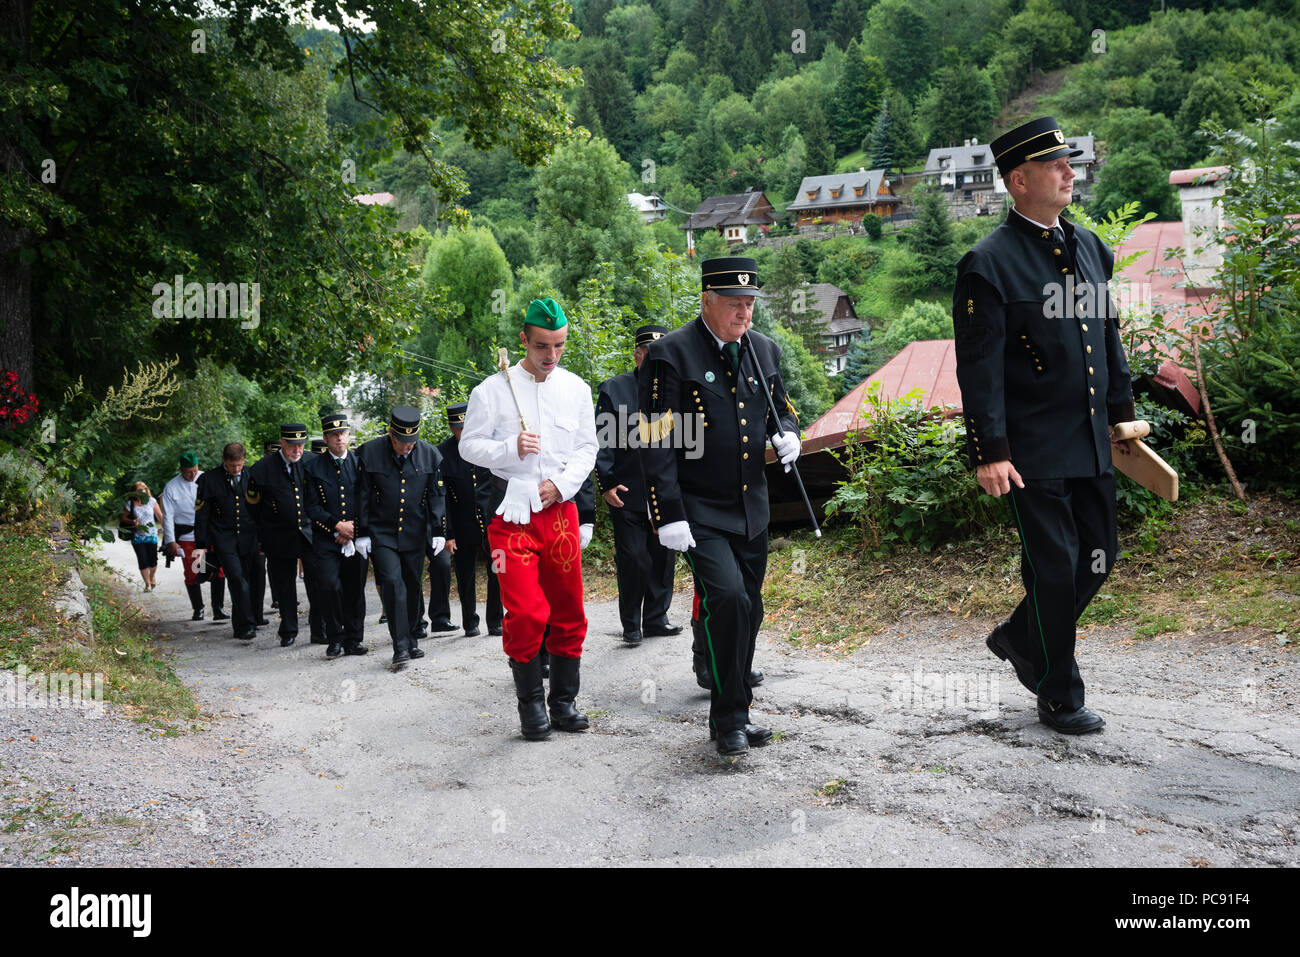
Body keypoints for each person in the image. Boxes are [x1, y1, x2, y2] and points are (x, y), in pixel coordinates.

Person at [953, 116, 1136, 735]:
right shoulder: (988, 263)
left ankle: (1019, 638)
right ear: (1018, 180)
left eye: (1070, 164)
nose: (1069, 173)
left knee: (1099, 556)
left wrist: (1122, 416)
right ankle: (1059, 692)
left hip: (1088, 438)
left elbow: (1107, 340)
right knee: (1056, 567)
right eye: (1056, 166)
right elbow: (979, 369)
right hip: (1030, 449)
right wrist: (989, 450)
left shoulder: (1089, 247)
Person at [637, 257, 800, 756]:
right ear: (707, 300)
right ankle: (728, 717)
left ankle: (737, 710)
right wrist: (667, 513)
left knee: (748, 608)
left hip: (751, 506)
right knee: (726, 599)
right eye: (734, 304)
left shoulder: (763, 351)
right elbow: (654, 438)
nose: (744, 314)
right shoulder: (672, 355)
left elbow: (782, 407)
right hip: (698, 508)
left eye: (750, 304)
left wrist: (790, 435)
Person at [460, 297, 598, 741]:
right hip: (511, 517)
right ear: (523, 339)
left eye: (559, 346)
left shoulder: (576, 388)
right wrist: (508, 449)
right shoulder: (491, 389)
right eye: (542, 346)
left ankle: (563, 702)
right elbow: (469, 447)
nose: (551, 356)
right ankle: (530, 706)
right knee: (527, 612)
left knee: (568, 611)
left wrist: (563, 485)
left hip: (559, 516)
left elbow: (587, 449)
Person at [596, 325, 681, 645]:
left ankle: (656, 618)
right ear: (637, 354)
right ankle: (631, 623)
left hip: (666, 490)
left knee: (663, 558)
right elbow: (603, 441)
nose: (652, 357)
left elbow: (690, 441)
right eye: (647, 351)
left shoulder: (678, 388)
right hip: (627, 491)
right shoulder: (615, 389)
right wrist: (606, 481)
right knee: (633, 558)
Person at [353, 405, 447, 671]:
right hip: (381, 532)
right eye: (401, 442)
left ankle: (413, 637)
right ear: (390, 434)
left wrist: (439, 529)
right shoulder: (370, 453)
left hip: (415, 532)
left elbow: (436, 495)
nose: (406, 448)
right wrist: (361, 533)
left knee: (412, 584)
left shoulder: (430, 455)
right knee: (393, 583)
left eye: (411, 443)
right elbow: (361, 494)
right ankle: (401, 646)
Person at [428, 402, 503, 638]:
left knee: (498, 570)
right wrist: (447, 533)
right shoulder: (442, 453)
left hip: (491, 521)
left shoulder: (487, 446)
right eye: (458, 427)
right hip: (461, 525)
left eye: (466, 426)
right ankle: (470, 621)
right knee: (465, 575)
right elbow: (443, 500)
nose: (463, 431)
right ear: (451, 428)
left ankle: (496, 620)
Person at [246, 424, 321, 648]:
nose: (297, 450)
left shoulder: (312, 462)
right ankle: (288, 628)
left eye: (301, 444)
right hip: (278, 535)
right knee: (285, 585)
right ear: (282, 442)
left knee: (316, 582)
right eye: (292, 445)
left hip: (311, 532)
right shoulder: (262, 468)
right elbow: (252, 506)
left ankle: (319, 629)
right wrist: (263, 533)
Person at [305, 412, 369, 659]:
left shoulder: (360, 463)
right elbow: (311, 507)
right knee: (329, 587)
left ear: (348, 435)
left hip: (357, 537)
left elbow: (368, 500)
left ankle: (354, 639)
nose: (339, 439)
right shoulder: (312, 467)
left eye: (342, 433)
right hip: (326, 539)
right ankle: (335, 638)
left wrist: (353, 528)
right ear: (325, 438)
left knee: (355, 589)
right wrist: (336, 527)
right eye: (333, 435)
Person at [194, 443, 259, 641]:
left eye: (239, 465)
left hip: (248, 537)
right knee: (237, 579)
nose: (236, 470)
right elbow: (202, 514)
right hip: (223, 538)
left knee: (247, 579)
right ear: (224, 460)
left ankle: (242, 623)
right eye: (232, 465)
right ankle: (246, 625)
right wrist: (201, 545)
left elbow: (260, 509)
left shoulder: (252, 476)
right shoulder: (209, 479)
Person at [161, 451, 227, 621]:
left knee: (217, 570)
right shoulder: (172, 486)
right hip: (187, 535)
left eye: (195, 470)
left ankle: (218, 608)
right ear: (181, 469)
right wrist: (171, 541)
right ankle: (198, 608)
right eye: (188, 471)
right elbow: (167, 516)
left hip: (210, 532)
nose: (192, 475)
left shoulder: (208, 478)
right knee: (193, 572)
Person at [122, 482, 163, 591]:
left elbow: (160, 516)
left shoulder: (152, 501)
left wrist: (168, 531)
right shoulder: (130, 504)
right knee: (142, 560)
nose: (141, 492)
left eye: (143, 490)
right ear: (134, 492)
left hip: (152, 535)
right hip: (137, 536)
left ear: (146, 490)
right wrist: (132, 521)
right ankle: (147, 584)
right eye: (138, 490)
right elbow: (123, 518)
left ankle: (152, 576)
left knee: (153, 560)